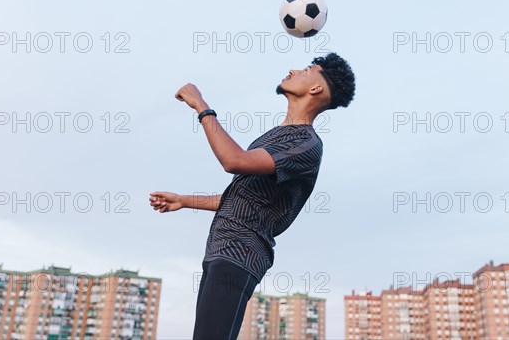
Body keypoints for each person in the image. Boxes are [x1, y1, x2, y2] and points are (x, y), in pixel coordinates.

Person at [149, 52, 356, 340]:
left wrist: (202, 107)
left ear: (316, 88)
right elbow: (242, 199)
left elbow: (232, 160)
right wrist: (184, 201)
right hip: (219, 251)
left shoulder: (307, 144)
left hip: (240, 254)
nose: (293, 69)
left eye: (307, 69)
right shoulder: (277, 136)